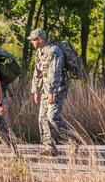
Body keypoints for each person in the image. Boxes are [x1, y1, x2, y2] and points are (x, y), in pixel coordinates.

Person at [28, 28, 79, 157]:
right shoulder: (39, 52)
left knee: (53, 116)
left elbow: (55, 73)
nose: (31, 42)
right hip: (45, 89)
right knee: (42, 118)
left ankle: (73, 140)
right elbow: (37, 72)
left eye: (33, 40)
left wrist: (52, 92)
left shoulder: (54, 51)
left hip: (57, 88)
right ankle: (50, 148)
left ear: (40, 39)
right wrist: (36, 90)